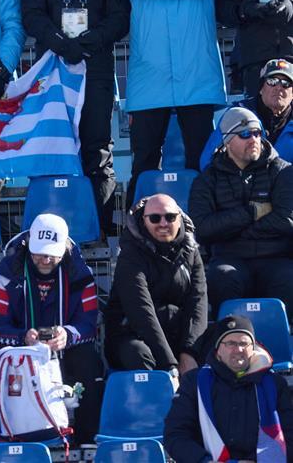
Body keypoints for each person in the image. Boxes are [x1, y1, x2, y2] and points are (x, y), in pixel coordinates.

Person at [21, 0, 130, 233]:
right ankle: (52, 228)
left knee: (96, 148)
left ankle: (100, 229)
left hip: (94, 65)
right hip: (52, 67)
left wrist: (84, 44)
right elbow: (31, 14)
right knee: (53, 144)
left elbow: (119, 18)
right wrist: (61, 43)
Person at [117, 0, 225, 205]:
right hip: (150, 72)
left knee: (202, 160)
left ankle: (206, 229)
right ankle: (140, 232)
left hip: (196, 70)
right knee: (145, 161)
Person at [0, 213, 104, 445]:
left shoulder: (80, 274)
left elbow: (89, 323)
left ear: (63, 250)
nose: (44, 260)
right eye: (39, 253)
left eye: (51, 255)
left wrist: (67, 334)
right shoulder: (6, 273)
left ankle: (87, 440)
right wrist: (23, 337)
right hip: (21, 351)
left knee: (88, 359)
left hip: (66, 349)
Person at [189, 107, 293, 321]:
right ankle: (228, 344)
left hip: (276, 257)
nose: (253, 139)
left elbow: (286, 220)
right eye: (245, 134)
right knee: (222, 278)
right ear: (227, 141)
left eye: (257, 133)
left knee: (289, 279)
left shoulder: (282, 171)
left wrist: (231, 229)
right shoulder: (207, 179)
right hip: (230, 258)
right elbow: (203, 229)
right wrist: (252, 212)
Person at [163, 315, 293, 462]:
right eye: (230, 343)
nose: (238, 349)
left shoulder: (274, 383)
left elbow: (289, 433)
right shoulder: (195, 382)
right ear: (218, 350)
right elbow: (175, 434)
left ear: (253, 348)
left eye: (244, 344)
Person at [104, 194, 207, 377]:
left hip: (176, 331)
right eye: (154, 218)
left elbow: (198, 302)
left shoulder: (191, 249)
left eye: (170, 217)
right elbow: (141, 312)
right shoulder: (129, 255)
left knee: (224, 342)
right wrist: (170, 365)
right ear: (144, 220)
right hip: (133, 333)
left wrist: (189, 352)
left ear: (179, 218)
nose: (163, 223)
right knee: (139, 355)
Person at [201, 58, 293, 167]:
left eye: (285, 83)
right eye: (272, 81)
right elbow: (207, 162)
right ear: (260, 88)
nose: (278, 87)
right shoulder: (236, 116)